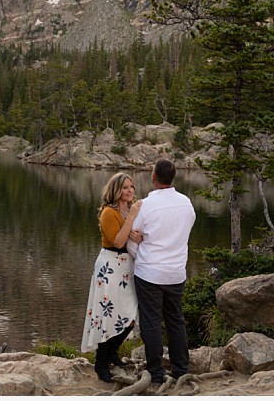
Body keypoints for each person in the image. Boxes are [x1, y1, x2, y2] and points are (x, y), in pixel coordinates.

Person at [127, 158, 196, 384]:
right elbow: (183, 233)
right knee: (175, 320)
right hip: (176, 272)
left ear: (153, 177)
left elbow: (131, 240)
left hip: (150, 274)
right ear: (172, 178)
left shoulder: (146, 206)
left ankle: (156, 372)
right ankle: (181, 369)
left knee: (152, 322)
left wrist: (144, 253)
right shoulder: (186, 203)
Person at [81, 172, 142, 382]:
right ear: (116, 190)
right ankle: (101, 363)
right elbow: (117, 242)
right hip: (110, 267)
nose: (130, 191)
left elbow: (138, 236)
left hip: (128, 267)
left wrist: (140, 236)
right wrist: (132, 218)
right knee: (109, 316)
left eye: (132, 187)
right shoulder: (109, 212)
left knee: (131, 315)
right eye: (125, 187)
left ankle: (112, 351)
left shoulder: (131, 210)